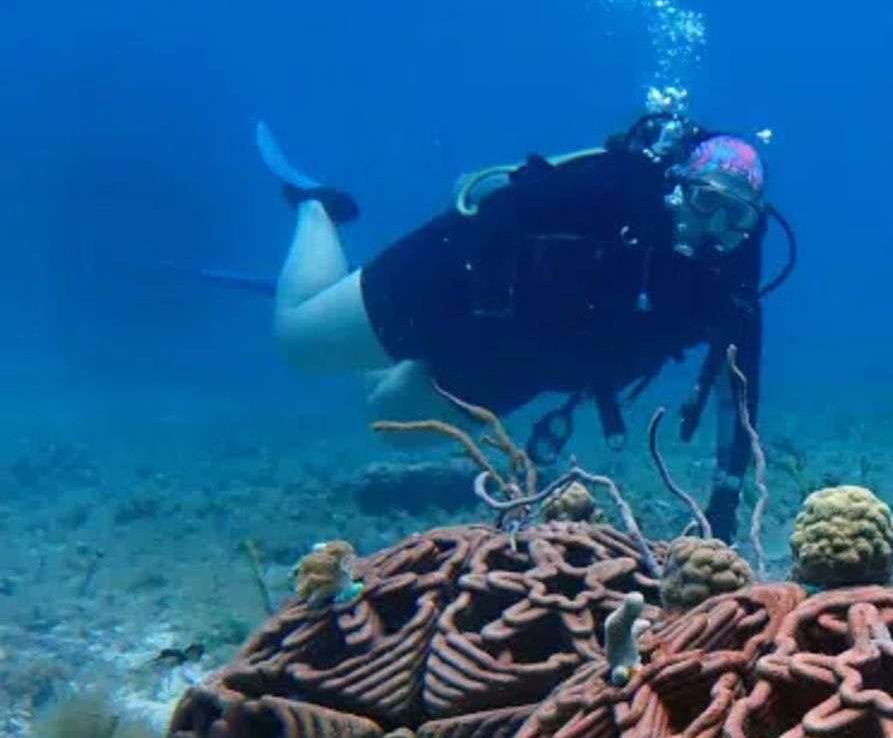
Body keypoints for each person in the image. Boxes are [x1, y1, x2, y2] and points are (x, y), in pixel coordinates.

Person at [260, 113, 785, 541]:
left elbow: (737, 396)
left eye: (734, 216)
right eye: (705, 200)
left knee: (389, 419)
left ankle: (362, 320)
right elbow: (508, 203)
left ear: (752, 223)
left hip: (522, 357)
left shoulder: (730, 281)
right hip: (458, 281)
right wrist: (456, 294)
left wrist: (724, 503)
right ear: (678, 186)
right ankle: (316, 208)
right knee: (298, 342)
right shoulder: (617, 187)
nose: (714, 225)